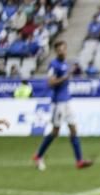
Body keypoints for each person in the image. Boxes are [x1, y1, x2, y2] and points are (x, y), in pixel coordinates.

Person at [31, 40, 93, 171]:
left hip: (67, 101)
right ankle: (38, 155)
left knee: (74, 130)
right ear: (56, 51)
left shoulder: (66, 63)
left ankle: (79, 161)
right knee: (55, 132)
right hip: (58, 102)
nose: (62, 51)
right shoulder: (53, 65)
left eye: (64, 49)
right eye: (59, 49)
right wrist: (64, 78)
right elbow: (50, 83)